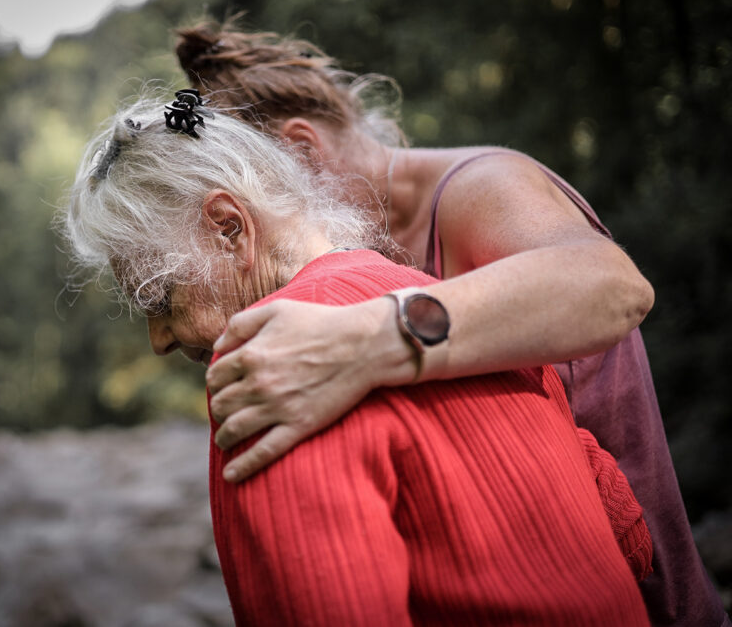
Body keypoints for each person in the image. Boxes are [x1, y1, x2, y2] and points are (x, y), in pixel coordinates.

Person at [174, 17, 730, 627]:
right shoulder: (356, 259)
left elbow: (615, 288)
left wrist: (366, 339)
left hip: (649, 600)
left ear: (303, 150)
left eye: (266, 185)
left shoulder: (483, 187)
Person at [64, 91, 651, 625]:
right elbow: (627, 535)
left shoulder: (271, 367)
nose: (159, 340)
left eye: (158, 298)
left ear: (228, 229)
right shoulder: (463, 304)